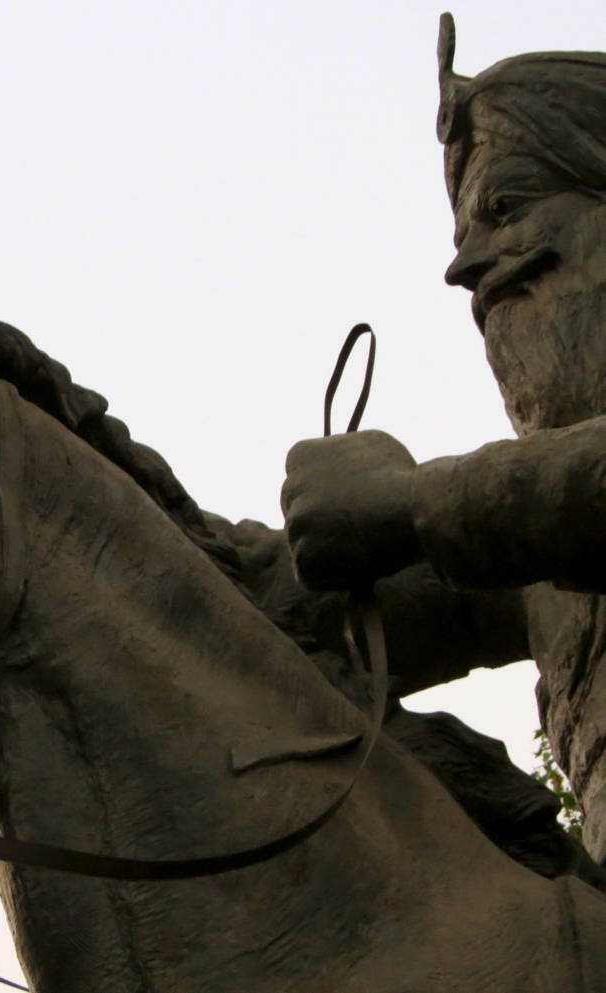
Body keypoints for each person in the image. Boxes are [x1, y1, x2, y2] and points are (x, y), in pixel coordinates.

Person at [281, 14, 606, 860]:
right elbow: (295, 615)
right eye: (467, 232)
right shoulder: (542, 562)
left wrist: (406, 500)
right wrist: (59, 449)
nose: (465, 267)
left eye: (506, 208)